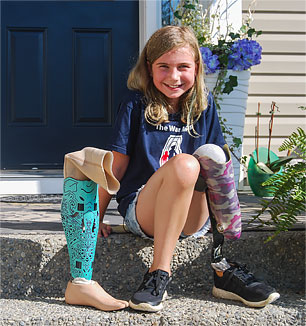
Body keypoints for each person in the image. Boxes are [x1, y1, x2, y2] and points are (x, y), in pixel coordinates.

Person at [99, 25, 280, 312]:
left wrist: (224, 229)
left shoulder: (204, 107)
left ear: (196, 67)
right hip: (144, 210)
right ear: (149, 67)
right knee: (185, 163)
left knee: (212, 158)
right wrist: (94, 217)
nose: (173, 77)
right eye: (164, 67)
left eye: (183, 66)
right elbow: (115, 167)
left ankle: (222, 267)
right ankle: (159, 274)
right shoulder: (136, 104)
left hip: (191, 218)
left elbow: (216, 175)